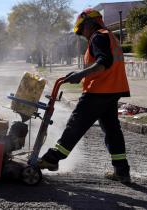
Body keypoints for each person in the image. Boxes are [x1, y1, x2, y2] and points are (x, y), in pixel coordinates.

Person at [38, 8, 131, 183]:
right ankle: (122, 171)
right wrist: (80, 73)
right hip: (113, 91)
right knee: (112, 131)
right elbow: (106, 63)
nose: (83, 35)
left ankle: (52, 159)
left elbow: (104, 62)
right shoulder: (110, 36)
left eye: (82, 30)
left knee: (76, 125)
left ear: (89, 23)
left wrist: (80, 75)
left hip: (98, 91)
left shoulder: (98, 36)